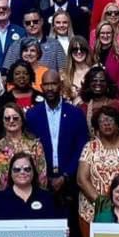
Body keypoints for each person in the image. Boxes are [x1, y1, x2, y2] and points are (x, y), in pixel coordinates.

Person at [76, 105, 119, 237]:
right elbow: (82, 179)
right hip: (92, 209)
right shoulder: (90, 147)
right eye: (102, 121)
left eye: (110, 120)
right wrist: (103, 203)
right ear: (96, 127)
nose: (106, 123)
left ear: (118, 124)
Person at [26, 69, 89, 218]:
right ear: (41, 87)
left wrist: (66, 176)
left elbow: (81, 147)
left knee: (71, 229)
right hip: (42, 181)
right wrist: (43, 175)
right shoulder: (32, 115)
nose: (49, 88)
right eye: (46, 84)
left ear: (60, 85)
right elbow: (29, 146)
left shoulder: (75, 113)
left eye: (53, 84)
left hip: (70, 181)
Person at [0, 100, 48, 193]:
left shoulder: (35, 145)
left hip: (31, 197)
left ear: (22, 120)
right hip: (3, 199)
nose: (11, 121)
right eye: (7, 118)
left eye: (15, 118)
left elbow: (42, 177)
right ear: (2, 121)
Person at [78, 66, 119, 143]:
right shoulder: (82, 109)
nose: (98, 83)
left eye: (102, 80)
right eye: (94, 80)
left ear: (107, 84)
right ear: (88, 84)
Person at [92, 22, 119, 107]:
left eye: (108, 33)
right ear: (98, 35)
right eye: (102, 33)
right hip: (97, 99)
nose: (105, 36)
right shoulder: (94, 53)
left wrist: (110, 90)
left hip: (117, 98)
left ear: (113, 34)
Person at [60, 35, 92, 102]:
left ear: (87, 51)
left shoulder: (93, 72)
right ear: (70, 52)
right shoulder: (64, 75)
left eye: (82, 49)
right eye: (75, 49)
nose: (79, 52)